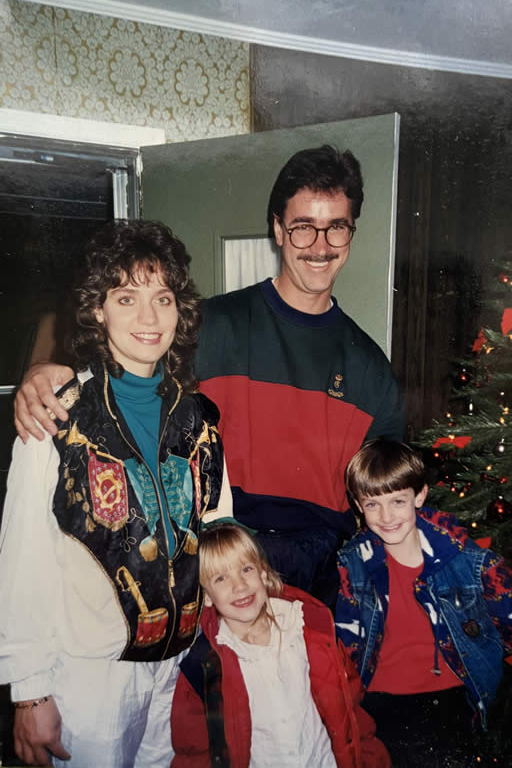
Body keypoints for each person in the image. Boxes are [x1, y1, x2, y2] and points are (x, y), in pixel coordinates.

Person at [13, 145, 405, 609]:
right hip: (216, 562)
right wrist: (42, 370)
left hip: (319, 580)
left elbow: (391, 501)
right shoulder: (207, 325)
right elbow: (120, 369)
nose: (320, 246)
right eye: (302, 227)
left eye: (335, 227)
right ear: (278, 230)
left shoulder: (371, 368)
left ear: (350, 235)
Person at [0, 221, 232, 767]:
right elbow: (22, 557)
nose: (149, 318)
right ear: (97, 310)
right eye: (126, 298)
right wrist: (29, 690)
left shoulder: (199, 418)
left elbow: (218, 528)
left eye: (163, 298)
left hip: (175, 663)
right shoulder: (58, 414)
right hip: (88, 674)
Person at [335, 439, 512, 766]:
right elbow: (346, 644)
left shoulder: (469, 561)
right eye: (372, 504)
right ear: (358, 505)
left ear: (420, 496)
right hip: (381, 701)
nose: (386, 516)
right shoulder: (353, 563)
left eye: (398, 501)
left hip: (457, 696)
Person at [170, 522, 391, 767]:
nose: (239, 585)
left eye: (246, 569)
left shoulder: (308, 630)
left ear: (263, 574)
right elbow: (193, 750)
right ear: (207, 596)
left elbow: (349, 705)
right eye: (221, 578)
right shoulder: (203, 665)